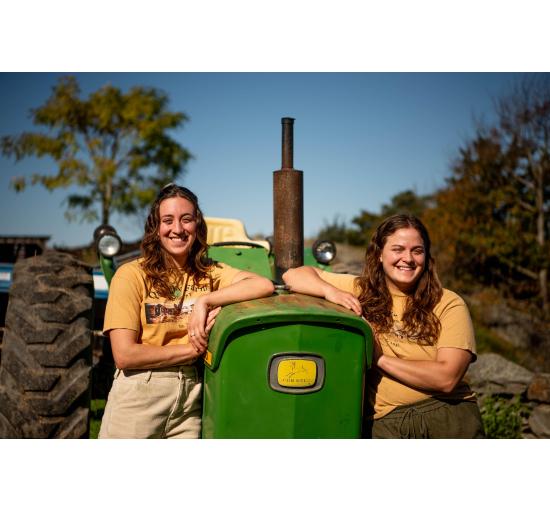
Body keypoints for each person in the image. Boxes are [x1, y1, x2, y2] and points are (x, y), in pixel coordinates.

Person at [282, 214, 484, 438]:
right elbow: (293, 275)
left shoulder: (448, 303)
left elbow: (446, 379)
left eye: (417, 250)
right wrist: (331, 291)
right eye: (398, 249)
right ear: (379, 254)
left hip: (445, 415)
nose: (408, 258)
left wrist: (379, 358)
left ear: (426, 257)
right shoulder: (360, 289)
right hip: (386, 422)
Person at [99, 184, 274, 438]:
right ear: (155, 228)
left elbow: (263, 284)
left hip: (190, 399)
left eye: (187, 219)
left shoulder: (209, 273)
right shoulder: (132, 275)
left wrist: (205, 300)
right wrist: (192, 350)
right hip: (139, 394)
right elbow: (124, 355)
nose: (178, 229)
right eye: (168, 220)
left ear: (197, 225)